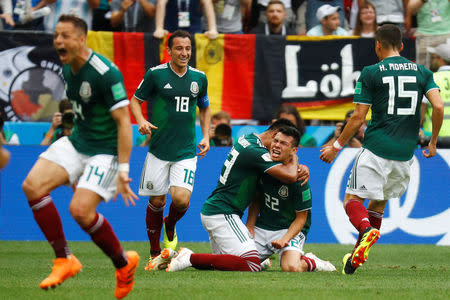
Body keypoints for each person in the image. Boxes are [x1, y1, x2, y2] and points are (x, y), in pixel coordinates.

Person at [21, 15, 139, 298]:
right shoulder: (67, 67)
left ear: (82, 39)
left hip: (106, 152)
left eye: (65, 36)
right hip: (78, 142)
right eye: (56, 35)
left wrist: (123, 169)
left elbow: (124, 123)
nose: (58, 41)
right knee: (32, 186)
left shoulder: (104, 72)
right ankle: (64, 259)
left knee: (80, 211)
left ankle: (123, 265)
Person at [320, 24, 444, 275]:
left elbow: (357, 118)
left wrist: (336, 145)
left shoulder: (371, 72)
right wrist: (432, 142)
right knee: (378, 204)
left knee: (352, 200)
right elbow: (438, 107)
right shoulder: (422, 72)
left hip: (376, 148)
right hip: (405, 154)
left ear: (377, 45)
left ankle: (366, 231)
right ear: (401, 45)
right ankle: (354, 261)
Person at [164, 120, 310, 272]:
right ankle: (189, 257)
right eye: (278, 141)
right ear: (274, 135)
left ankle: (176, 257)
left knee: (227, 264)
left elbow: (257, 195)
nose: (277, 146)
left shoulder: (249, 139)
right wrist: (296, 159)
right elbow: (291, 176)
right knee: (251, 263)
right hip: (223, 212)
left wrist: (250, 225)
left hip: (217, 209)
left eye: (284, 143)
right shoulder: (257, 151)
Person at [129, 30, 211, 271]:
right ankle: (155, 252)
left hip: (186, 151)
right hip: (158, 150)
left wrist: (206, 135)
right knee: (156, 200)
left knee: (181, 200)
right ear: (169, 50)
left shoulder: (199, 78)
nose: (184, 53)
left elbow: (205, 107)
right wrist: (141, 121)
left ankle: (171, 225)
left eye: (187, 49)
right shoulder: (156, 75)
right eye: (179, 49)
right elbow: (135, 101)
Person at [246, 127, 336, 273]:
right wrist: (250, 227)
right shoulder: (263, 165)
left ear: (294, 151)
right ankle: (261, 261)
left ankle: (312, 261)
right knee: (239, 264)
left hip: (289, 230)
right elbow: (256, 200)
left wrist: (285, 239)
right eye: (275, 141)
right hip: (263, 227)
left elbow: (302, 218)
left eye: (283, 144)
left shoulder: (299, 177)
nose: (276, 145)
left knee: (291, 268)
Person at [408, 0, 450, 67]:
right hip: (425, 36)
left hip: (446, 35)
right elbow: (411, 9)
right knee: (423, 69)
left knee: (447, 67)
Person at [422, 43, 450, 137]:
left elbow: (422, 108)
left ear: (441, 60)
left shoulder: (431, 78)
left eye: (433, 58)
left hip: (432, 136)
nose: (432, 61)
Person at [153, 0, 218, 40]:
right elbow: (161, 3)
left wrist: (212, 29)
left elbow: (208, 3)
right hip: (172, 32)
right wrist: (159, 28)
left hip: (194, 33)